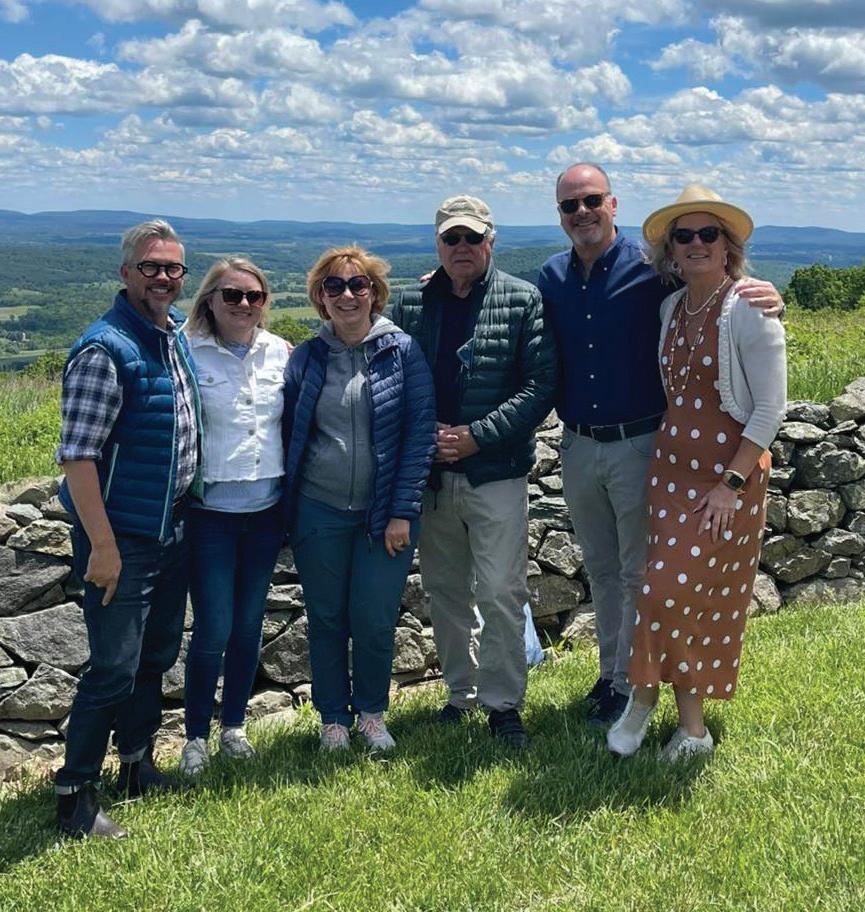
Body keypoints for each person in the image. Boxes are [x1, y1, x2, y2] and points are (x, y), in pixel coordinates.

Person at [538, 164, 783, 727]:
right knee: (601, 569)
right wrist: (443, 284)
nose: (582, 212)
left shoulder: (653, 274)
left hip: (640, 444)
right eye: (570, 205)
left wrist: (774, 299)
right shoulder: (551, 277)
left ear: (613, 204)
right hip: (578, 445)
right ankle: (611, 677)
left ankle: (632, 686)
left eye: (591, 200)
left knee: (639, 574)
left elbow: (722, 298)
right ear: (560, 215)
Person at [606, 185, 786, 761]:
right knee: (669, 596)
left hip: (725, 481)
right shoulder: (672, 307)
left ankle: (649, 701)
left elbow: (770, 409)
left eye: (709, 233)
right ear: (671, 252)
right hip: (670, 475)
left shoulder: (750, 308)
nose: (696, 243)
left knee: (670, 593)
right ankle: (684, 726)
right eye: (684, 236)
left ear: (728, 245)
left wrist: (730, 485)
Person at [389, 195, 557, 748]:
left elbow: (540, 386)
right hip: (433, 476)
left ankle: (503, 703)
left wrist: (476, 436)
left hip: (496, 471)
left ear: (491, 241)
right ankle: (460, 695)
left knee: (502, 592)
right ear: (438, 244)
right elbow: (391, 379)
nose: (462, 247)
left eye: (472, 237)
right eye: (451, 238)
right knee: (445, 591)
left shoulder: (522, 299)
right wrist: (429, 439)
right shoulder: (410, 303)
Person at [54, 220, 200, 839]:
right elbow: (78, 457)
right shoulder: (105, 350)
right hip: (124, 538)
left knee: (155, 654)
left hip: (170, 526)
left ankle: (136, 764)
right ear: (125, 274)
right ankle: (74, 795)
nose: (163, 277)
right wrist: (105, 547)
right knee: (113, 666)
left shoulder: (169, 335)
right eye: (151, 267)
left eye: (173, 268)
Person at [282, 245, 435, 752]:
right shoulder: (306, 357)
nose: (346, 295)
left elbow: (419, 435)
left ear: (375, 293)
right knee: (326, 618)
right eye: (334, 286)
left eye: (357, 284)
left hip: (383, 514)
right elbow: (289, 432)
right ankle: (333, 719)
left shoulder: (403, 351)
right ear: (320, 297)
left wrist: (402, 512)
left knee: (373, 618)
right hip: (318, 509)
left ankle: (371, 714)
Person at [178, 257, 292, 778]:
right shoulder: (186, 350)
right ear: (209, 300)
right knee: (214, 627)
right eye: (231, 295)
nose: (244, 304)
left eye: (254, 295)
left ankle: (235, 727)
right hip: (211, 515)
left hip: (266, 512)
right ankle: (195, 737)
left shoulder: (280, 352)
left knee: (248, 626)